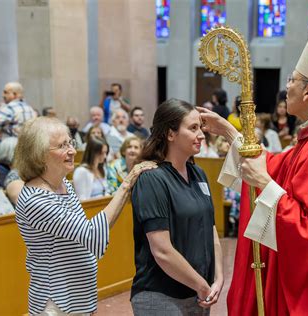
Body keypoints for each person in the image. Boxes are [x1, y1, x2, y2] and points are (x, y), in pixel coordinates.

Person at [199, 3, 308, 314]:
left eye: (292, 80)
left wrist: (261, 181)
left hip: (306, 289)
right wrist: (228, 132)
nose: (286, 87)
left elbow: (304, 229)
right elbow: (275, 165)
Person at [13, 116, 154, 314]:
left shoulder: (65, 186)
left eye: (70, 142)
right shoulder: (36, 200)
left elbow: (84, 243)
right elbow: (92, 235)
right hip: (55, 301)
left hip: (78, 296)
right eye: (62, 146)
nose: (72, 150)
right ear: (39, 155)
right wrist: (126, 183)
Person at [130, 98, 223, 315]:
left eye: (200, 127)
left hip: (199, 293)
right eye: (193, 128)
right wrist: (202, 285)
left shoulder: (198, 174)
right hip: (161, 296)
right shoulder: (152, 178)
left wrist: (218, 278)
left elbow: (211, 229)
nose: (201, 134)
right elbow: (162, 250)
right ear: (170, 134)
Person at [73, 136, 110, 200]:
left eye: (105, 153)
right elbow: (82, 199)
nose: (105, 156)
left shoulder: (102, 169)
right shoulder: (81, 171)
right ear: (92, 153)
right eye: (101, 153)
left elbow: (106, 191)